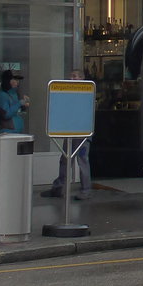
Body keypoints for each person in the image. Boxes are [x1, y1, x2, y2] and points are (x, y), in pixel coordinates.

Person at [43, 70, 92, 200]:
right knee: (65, 160)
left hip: (81, 134)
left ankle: (85, 190)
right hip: (71, 131)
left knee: (81, 161)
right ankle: (60, 188)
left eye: (74, 76)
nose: (71, 79)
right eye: (71, 76)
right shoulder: (71, 94)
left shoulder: (86, 93)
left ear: (82, 78)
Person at [0, 69, 28, 134]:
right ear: (7, 80)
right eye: (15, 79)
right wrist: (19, 103)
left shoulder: (14, 94)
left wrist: (23, 105)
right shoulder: (2, 95)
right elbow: (6, 114)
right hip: (6, 133)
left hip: (16, 132)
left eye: (18, 80)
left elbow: (16, 110)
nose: (17, 82)